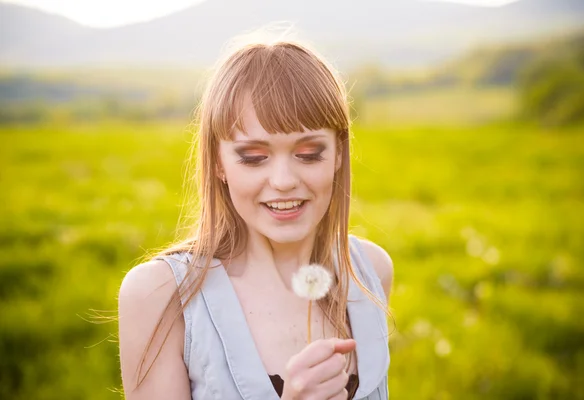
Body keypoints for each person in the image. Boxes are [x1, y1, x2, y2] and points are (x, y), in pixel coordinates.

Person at [118, 34, 393, 400]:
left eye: (309, 153)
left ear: (339, 154)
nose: (283, 182)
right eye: (253, 157)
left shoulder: (369, 272)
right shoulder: (160, 296)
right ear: (219, 162)